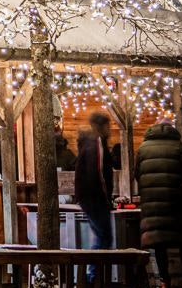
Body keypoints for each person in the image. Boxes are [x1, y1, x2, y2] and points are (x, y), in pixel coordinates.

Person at [135, 122, 182, 288]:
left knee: (159, 243)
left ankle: (164, 280)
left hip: (151, 203)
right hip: (175, 200)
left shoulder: (143, 148)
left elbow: (137, 174)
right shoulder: (178, 146)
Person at [75, 112, 115, 276]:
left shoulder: (89, 143)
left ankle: (94, 275)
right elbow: (98, 172)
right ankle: (93, 276)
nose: (110, 129)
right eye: (108, 125)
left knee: (101, 236)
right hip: (95, 198)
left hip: (89, 197)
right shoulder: (96, 144)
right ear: (102, 126)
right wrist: (106, 198)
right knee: (104, 237)